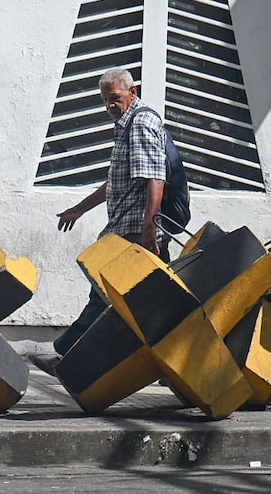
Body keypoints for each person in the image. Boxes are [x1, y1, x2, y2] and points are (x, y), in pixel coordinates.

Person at [37, 68, 171, 373]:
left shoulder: (141, 123)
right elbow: (117, 183)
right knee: (150, 301)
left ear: (132, 92)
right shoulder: (126, 126)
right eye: (105, 100)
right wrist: (79, 209)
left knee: (103, 292)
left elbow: (155, 178)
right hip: (128, 227)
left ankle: (67, 356)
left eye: (115, 98)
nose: (110, 105)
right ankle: (170, 364)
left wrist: (149, 229)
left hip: (135, 231)